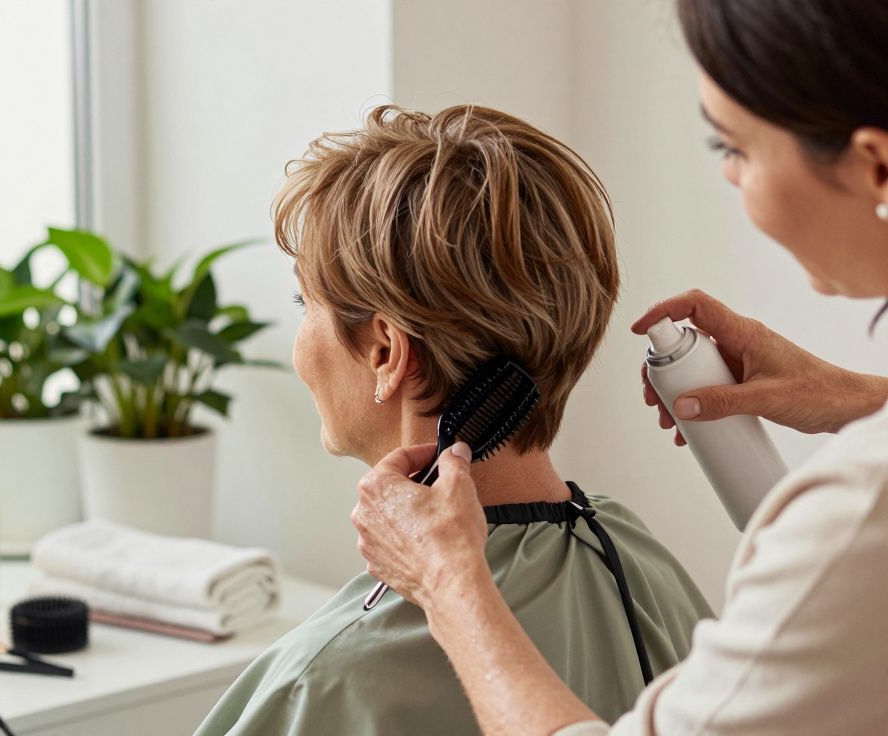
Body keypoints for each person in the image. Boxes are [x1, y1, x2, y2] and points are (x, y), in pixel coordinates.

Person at [350, 1, 888, 733]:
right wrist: (858, 398)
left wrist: (447, 581)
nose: (729, 176)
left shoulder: (857, 514)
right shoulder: (636, 560)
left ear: (875, 166)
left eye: (732, 146)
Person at [195, 104, 713, 736]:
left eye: (306, 302)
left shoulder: (329, 679)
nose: (299, 343)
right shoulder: (644, 567)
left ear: (385, 351)